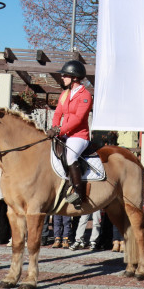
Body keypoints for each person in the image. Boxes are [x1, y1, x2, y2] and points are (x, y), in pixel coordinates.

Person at [48, 60, 93, 209]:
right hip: (65, 134)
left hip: (79, 136)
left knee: (70, 156)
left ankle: (79, 193)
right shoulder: (65, 94)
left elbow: (78, 119)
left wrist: (60, 130)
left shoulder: (85, 95)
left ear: (74, 77)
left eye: (65, 75)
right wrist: (54, 127)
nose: (62, 77)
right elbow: (58, 113)